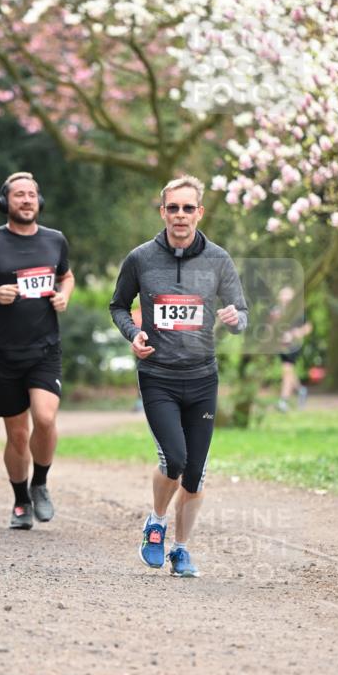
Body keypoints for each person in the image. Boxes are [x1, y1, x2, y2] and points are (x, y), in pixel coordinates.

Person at [110, 174, 248, 578]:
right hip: (159, 376)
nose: (181, 215)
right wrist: (133, 333)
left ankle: (181, 549)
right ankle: (156, 522)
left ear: (200, 212)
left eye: (189, 208)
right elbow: (118, 305)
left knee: (196, 470)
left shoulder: (219, 260)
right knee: (174, 459)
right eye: (174, 208)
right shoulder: (140, 259)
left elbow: (241, 312)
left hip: (203, 377)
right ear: (163, 212)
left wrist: (235, 317)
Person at [0, 172, 74, 529]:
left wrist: (63, 295)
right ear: (5, 202)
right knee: (17, 435)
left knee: (44, 418)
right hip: (4, 351)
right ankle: (20, 500)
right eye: (18, 195)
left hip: (45, 348)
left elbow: (66, 276)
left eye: (31, 194)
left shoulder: (55, 240)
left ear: (38, 201)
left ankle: (40, 483)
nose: (26, 200)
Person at [270, 285, 312, 412]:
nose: (286, 298)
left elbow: (308, 327)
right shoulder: (275, 311)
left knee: (287, 370)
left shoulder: (298, 312)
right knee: (289, 371)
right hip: (280, 345)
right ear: (279, 297)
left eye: (289, 295)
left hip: (293, 346)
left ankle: (283, 401)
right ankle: (301, 390)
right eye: (284, 295)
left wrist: (295, 334)